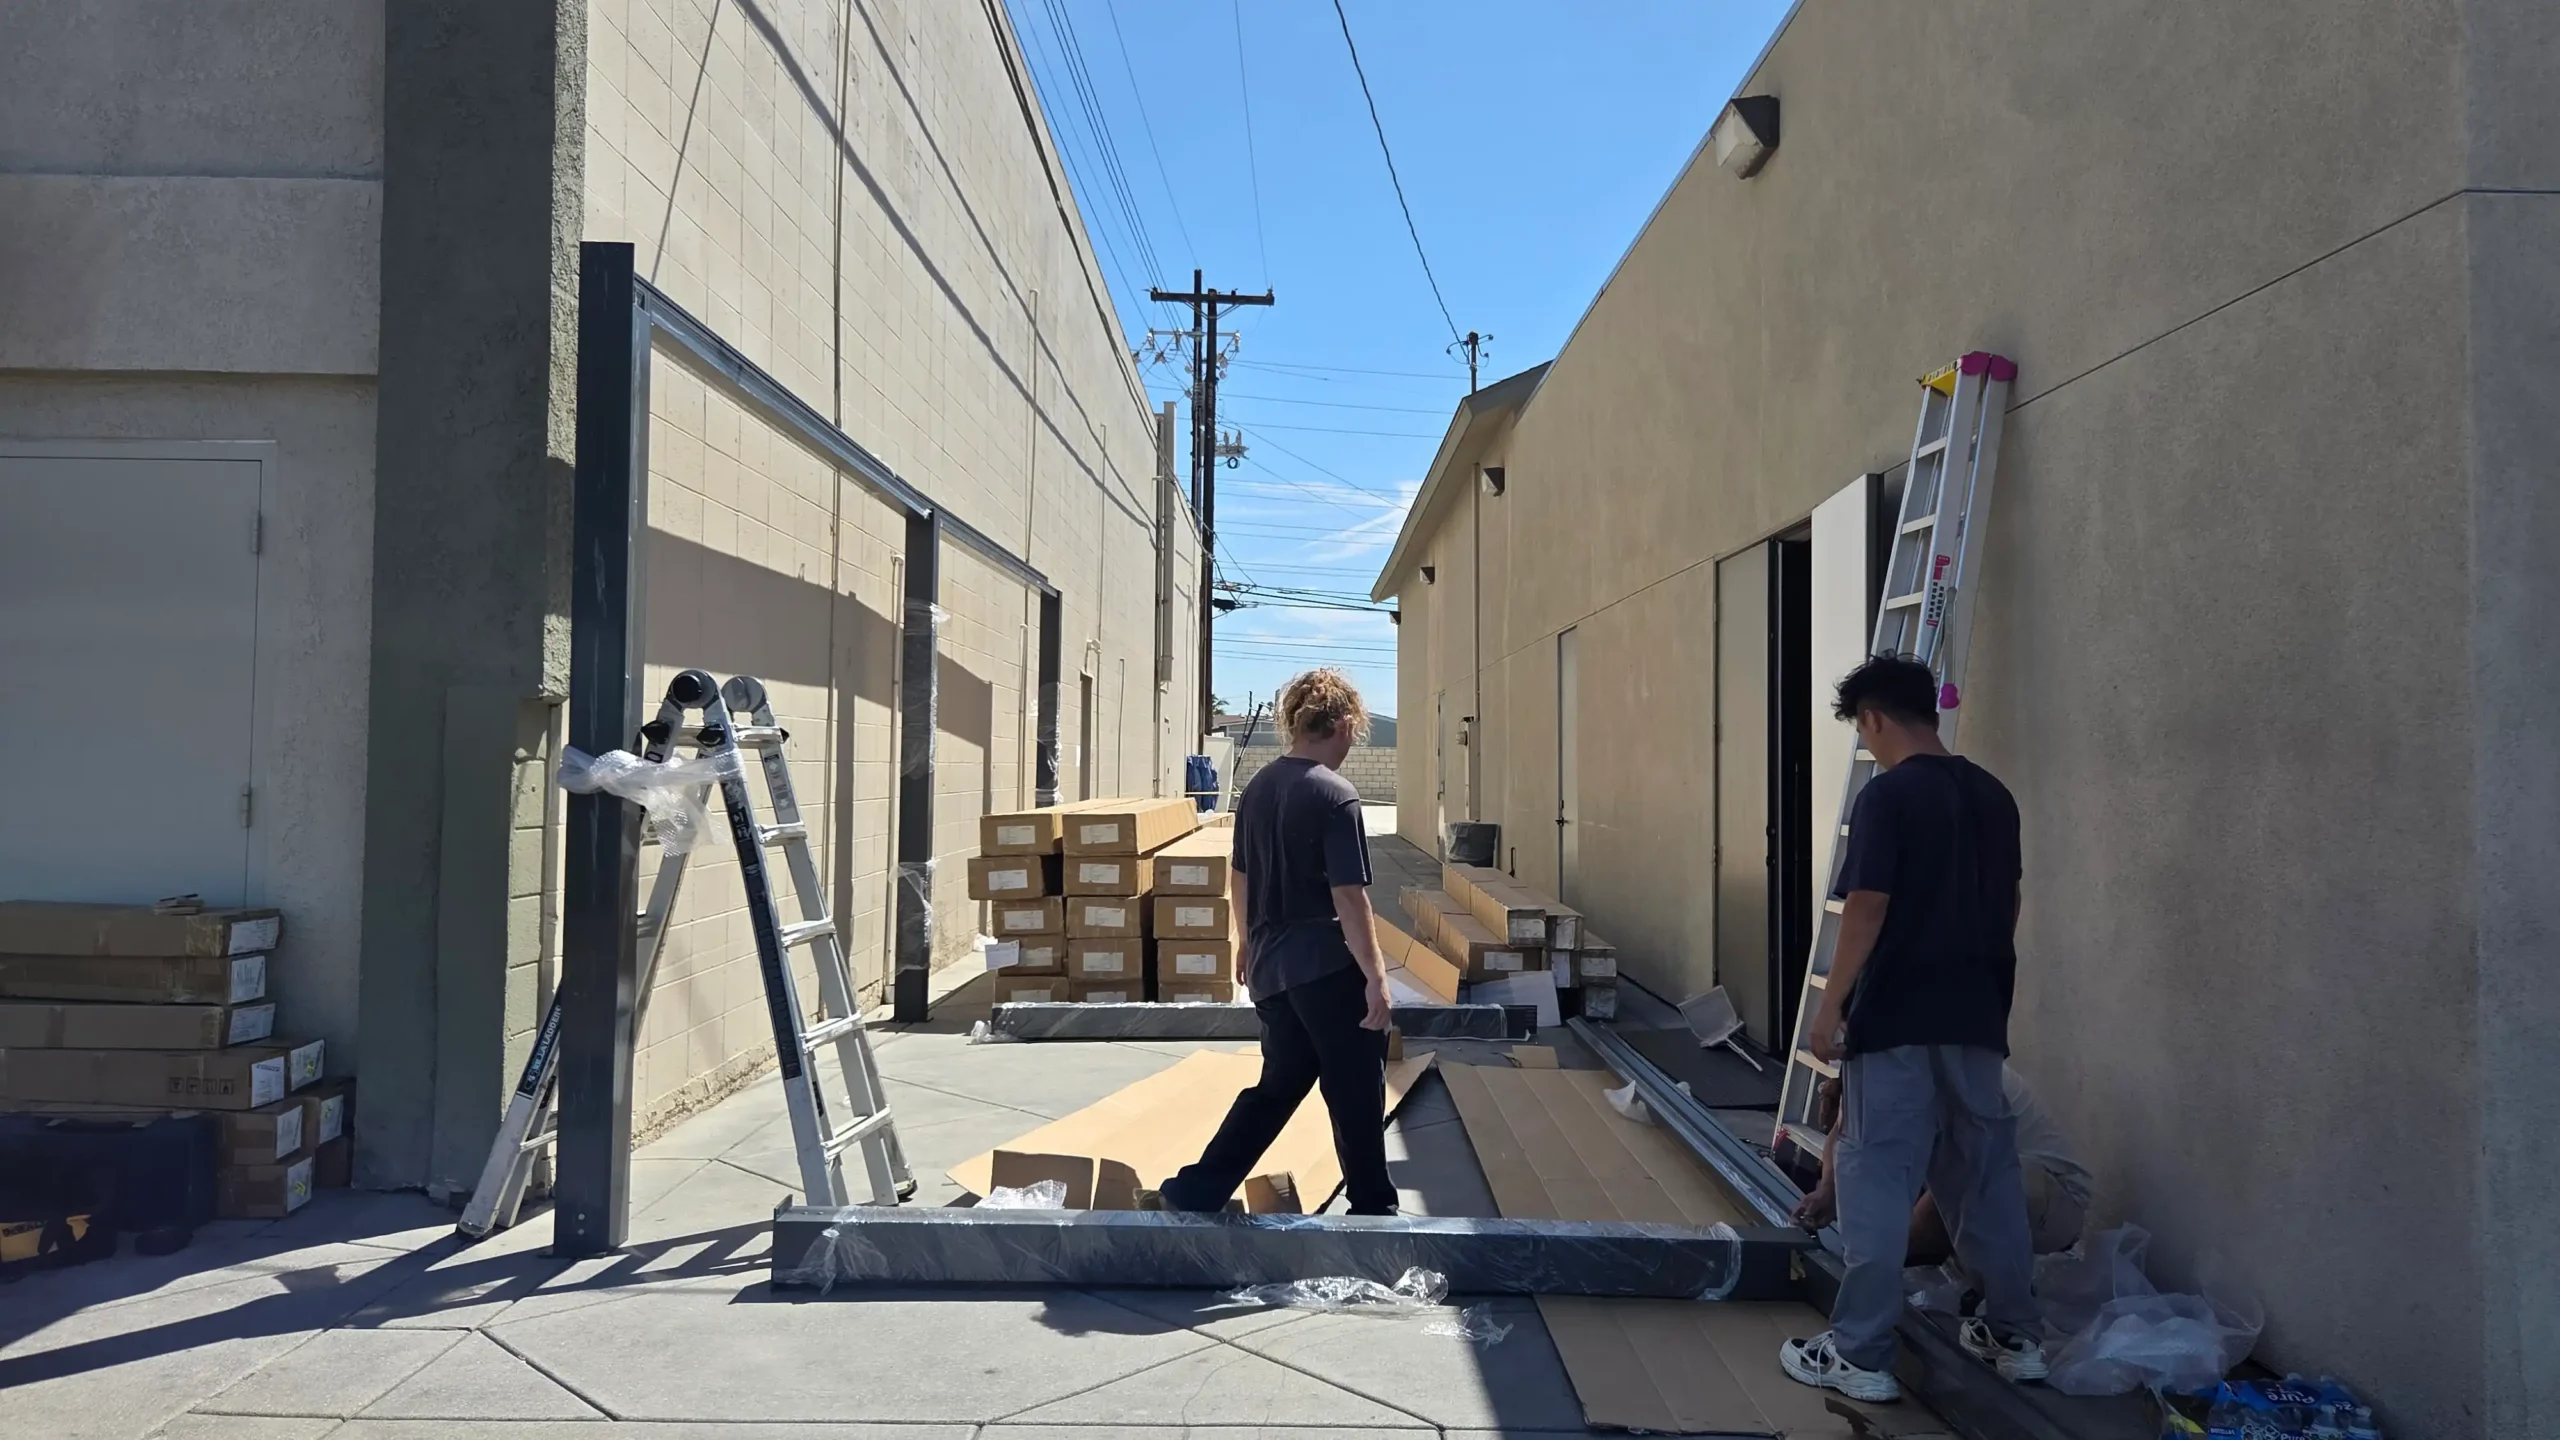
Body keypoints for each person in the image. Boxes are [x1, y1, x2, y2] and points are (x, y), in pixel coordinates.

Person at [1778, 654, 2045, 1403]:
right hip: (1976, 1018)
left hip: (1897, 1016)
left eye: (1860, 730)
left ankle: (1859, 1352)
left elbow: (1868, 906)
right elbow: (2011, 903)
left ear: (1872, 719)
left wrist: (1831, 1005)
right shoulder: (1996, 797)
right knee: (1983, 1179)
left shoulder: (1887, 799)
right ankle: (2017, 1335)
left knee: (1877, 1179)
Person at [1146, 669, 1397, 1216]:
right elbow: (1350, 899)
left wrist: (1244, 943)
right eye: (1356, 732)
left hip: (1271, 970)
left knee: (1280, 1084)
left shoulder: (1259, 786)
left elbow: (1240, 876)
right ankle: (1374, 1208)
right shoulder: (1336, 796)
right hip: (1327, 971)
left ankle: (1197, 1188)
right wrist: (1376, 978)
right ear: (1346, 724)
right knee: (1355, 1088)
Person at [1792, 1065, 2094, 1266]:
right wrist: (1829, 1189)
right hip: (1987, 1181)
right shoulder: (1875, 1063)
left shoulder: (1947, 1073)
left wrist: (1877, 1258)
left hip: (2054, 1202)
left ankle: (2009, 1328)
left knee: (1954, 1195)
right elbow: (1844, 1133)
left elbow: (1953, 1182)